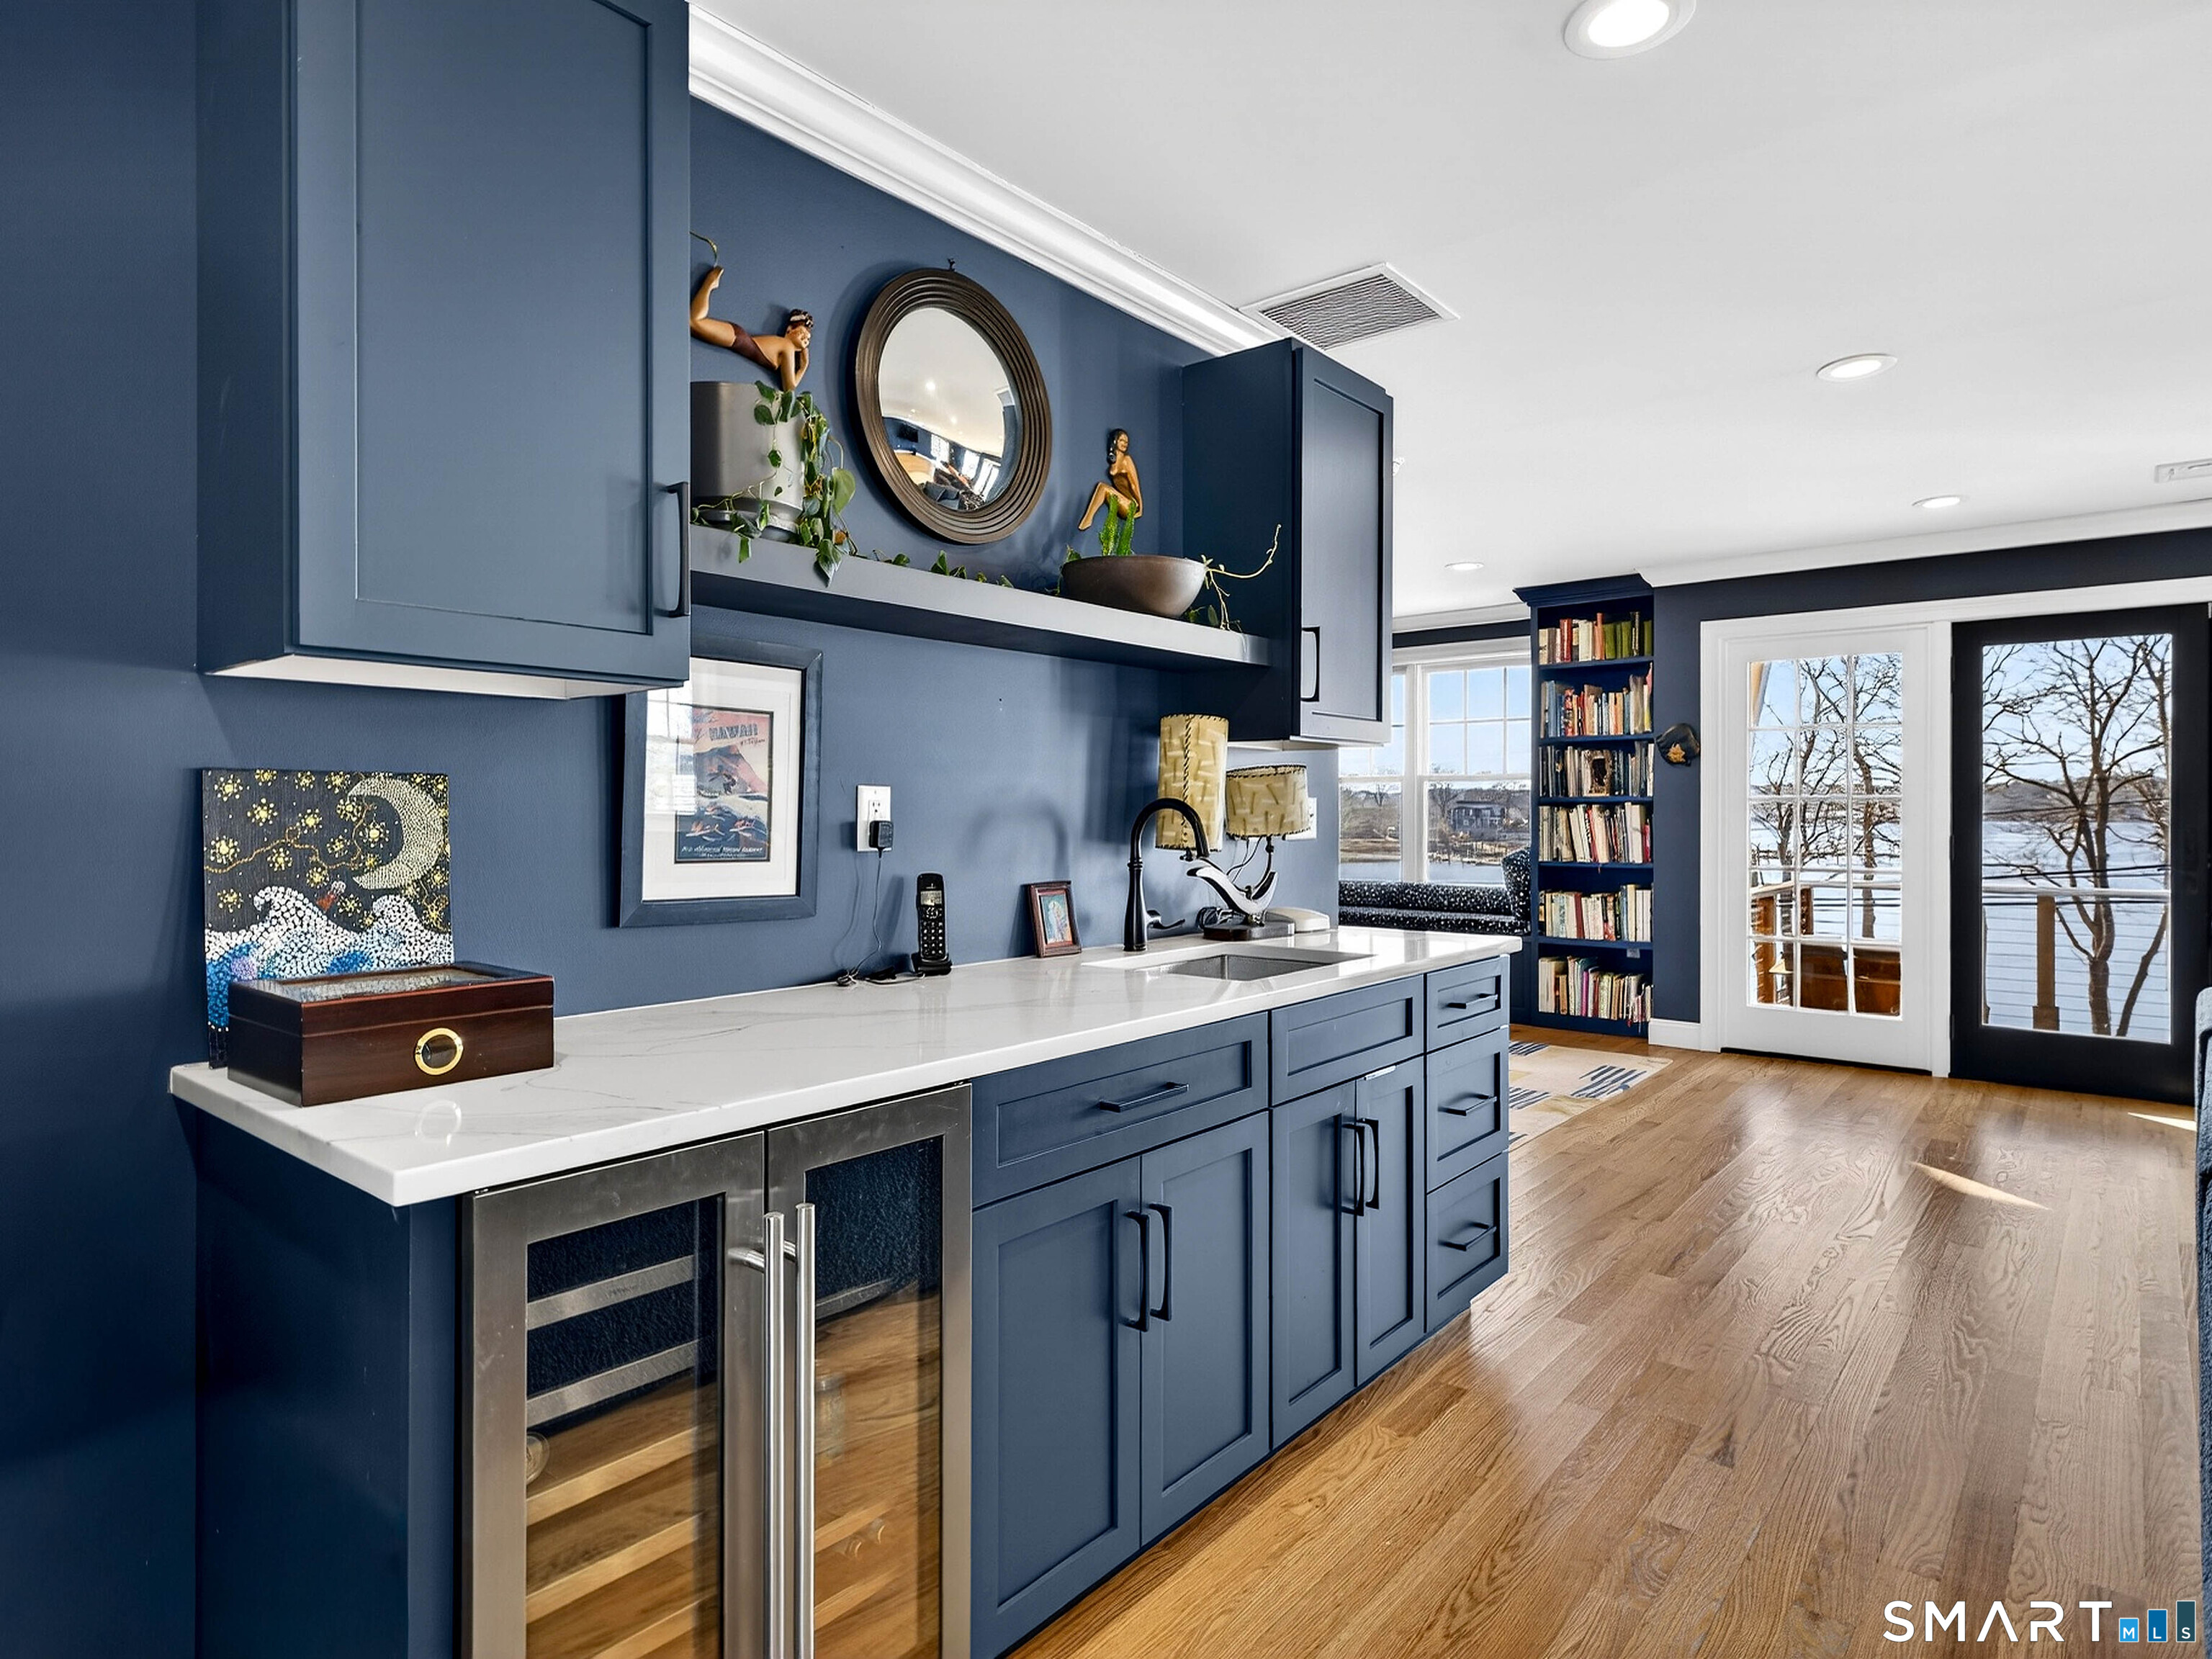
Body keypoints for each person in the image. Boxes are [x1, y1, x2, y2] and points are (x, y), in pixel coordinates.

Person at [690, 264, 812, 391]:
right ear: (789, 330)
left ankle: (710, 283)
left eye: (808, 338)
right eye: (802, 332)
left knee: (696, 322)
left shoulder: (785, 351)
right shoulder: (787, 346)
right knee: (695, 322)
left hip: (739, 340)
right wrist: (803, 367)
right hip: (739, 339)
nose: (805, 338)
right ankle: (710, 281)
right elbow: (789, 389)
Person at [1077, 428, 1142, 531]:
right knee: (1102, 488)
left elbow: (1134, 485)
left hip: (1130, 505)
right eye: (1122, 440)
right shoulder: (1114, 461)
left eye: (1127, 442)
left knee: (1102, 487)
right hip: (1121, 498)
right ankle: (1088, 519)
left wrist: (1140, 507)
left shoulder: (1127, 460)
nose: (1125, 443)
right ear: (1115, 441)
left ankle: (1088, 519)